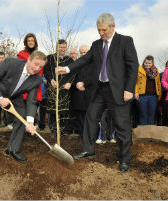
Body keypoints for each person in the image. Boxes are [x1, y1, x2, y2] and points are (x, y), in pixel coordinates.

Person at [57, 13, 139, 172]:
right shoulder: (96, 45)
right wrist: (66, 68)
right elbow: (84, 60)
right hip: (99, 89)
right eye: (98, 30)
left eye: (103, 30)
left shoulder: (125, 41)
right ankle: (88, 150)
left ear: (113, 26)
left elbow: (133, 66)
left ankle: (124, 158)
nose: (101, 33)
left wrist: (129, 89)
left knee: (121, 125)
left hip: (118, 91)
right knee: (90, 117)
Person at [44, 39, 75, 135]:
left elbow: (73, 72)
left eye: (64, 47)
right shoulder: (50, 58)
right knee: (53, 110)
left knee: (64, 111)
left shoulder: (69, 60)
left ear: (66, 48)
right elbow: (46, 71)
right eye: (60, 47)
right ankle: (53, 130)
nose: (62, 49)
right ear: (57, 47)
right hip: (53, 88)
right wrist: (51, 80)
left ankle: (64, 130)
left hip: (64, 89)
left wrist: (70, 82)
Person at [69, 45, 92, 137]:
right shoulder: (77, 63)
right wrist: (77, 84)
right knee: (79, 114)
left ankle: (90, 134)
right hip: (78, 93)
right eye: (81, 52)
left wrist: (84, 84)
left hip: (89, 92)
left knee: (89, 115)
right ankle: (82, 134)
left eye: (85, 52)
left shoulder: (94, 63)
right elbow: (72, 77)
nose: (83, 54)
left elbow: (95, 77)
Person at [135, 55, 161, 126]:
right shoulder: (139, 70)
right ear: (144, 62)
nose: (147, 65)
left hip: (153, 96)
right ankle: (142, 134)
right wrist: (136, 93)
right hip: (142, 96)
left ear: (152, 63)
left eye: (149, 63)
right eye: (146, 63)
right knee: (143, 114)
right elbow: (135, 83)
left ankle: (151, 133)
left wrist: (159, 95)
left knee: (151, 115)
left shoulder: (156, 72)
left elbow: (158, 83)